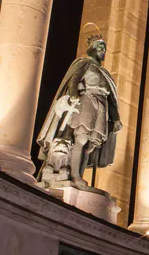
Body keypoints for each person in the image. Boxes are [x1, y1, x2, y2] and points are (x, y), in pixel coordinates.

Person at [37, 36, 121, 190]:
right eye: (100, 47)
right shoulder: (84, 63)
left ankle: (79, 173)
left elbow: (111, 99)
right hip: (87, 100)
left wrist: (115, 118)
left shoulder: (104, 72)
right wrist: (73, 93)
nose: (103, 51)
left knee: (90, 144)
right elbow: (74, 79)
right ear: (93, 47)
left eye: (104, 49)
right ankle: (75, 175)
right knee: (81, 138)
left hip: (102, 105)